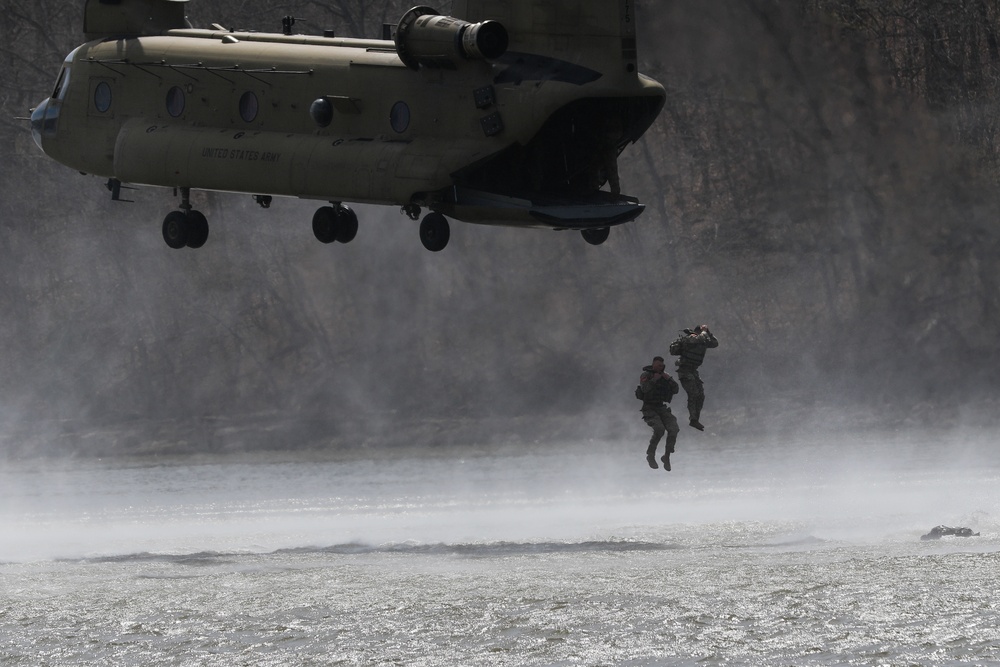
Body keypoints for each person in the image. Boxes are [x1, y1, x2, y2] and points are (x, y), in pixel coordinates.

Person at [673, 324, 719, 431]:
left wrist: (709, 332)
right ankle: (693, 419)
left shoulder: (703, 340)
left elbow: (715, 343)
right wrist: (704, 331)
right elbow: (700, 339)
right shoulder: (691, 338)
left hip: (693, 371)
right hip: (684, 370)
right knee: (693, 393)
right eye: (703, 332)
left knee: (701, 396)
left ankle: (695, 420)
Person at [638, 356, 680, 471]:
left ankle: (666, 456)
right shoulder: (646, 375)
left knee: (674, 428)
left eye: (661, 366)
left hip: (661, 407)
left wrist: (668, 379)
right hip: (649, 408)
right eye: (657, 365)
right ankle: (650, 455)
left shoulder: (665, 376)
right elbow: (644, 389)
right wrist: (654, 380)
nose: (659, 368)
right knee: (659, 429)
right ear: (653, 365)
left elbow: (676, 389)